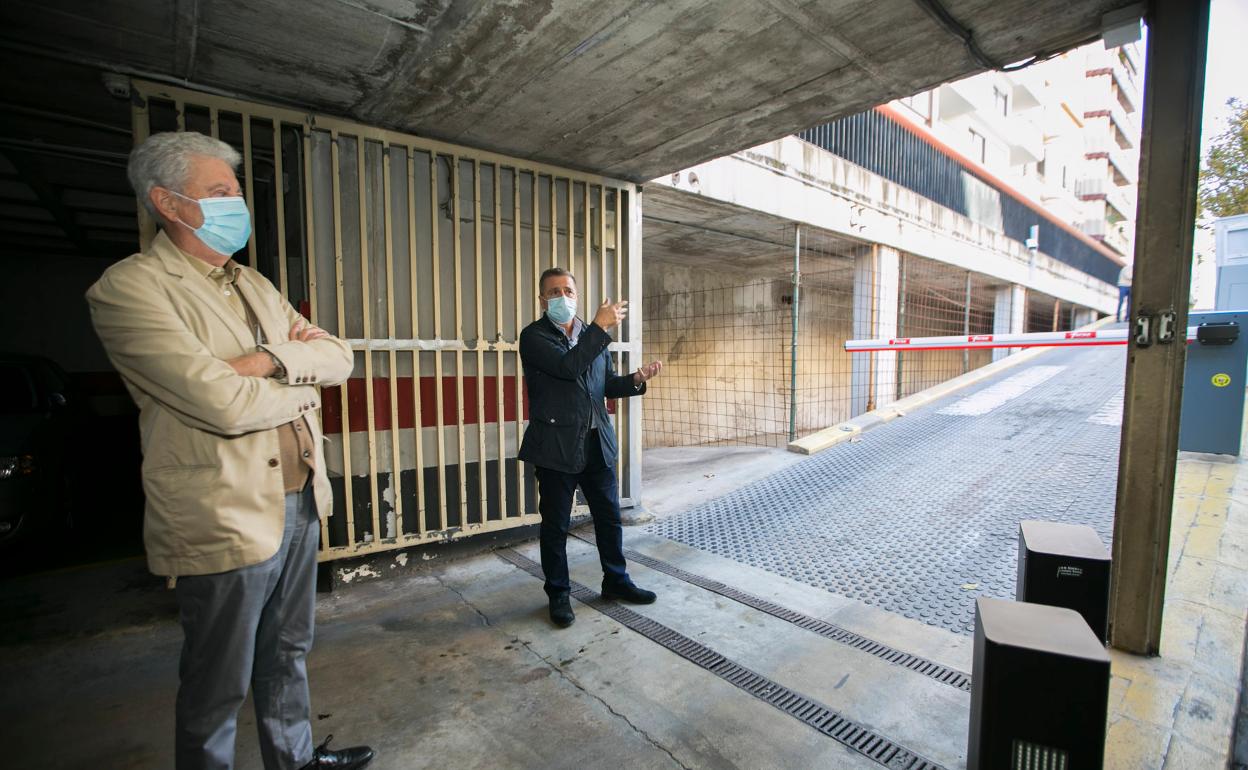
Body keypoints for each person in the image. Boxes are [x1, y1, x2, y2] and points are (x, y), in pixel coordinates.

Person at [86, 132, 374, 770]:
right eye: (220, 193)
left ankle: (293, 761)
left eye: (236, 193)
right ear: (168, 202)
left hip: (299, 498)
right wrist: (297, 383)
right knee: (218, 679)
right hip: (223, 511)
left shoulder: (253, 283)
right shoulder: (131, 289)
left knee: (287, 652)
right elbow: (222, 404)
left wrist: (269, 359)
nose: (236, 205)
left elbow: (339, 357)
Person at [518, 267, 663, 627]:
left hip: (597, 443)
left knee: (609, 518)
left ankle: (616, 580)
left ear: (577, 295)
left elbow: (605, 386)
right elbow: (568, 368)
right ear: (541, 300)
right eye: (554, 292)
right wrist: (600, 327)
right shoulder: (534, 337)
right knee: (556, 526)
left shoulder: (590, 334)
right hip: (556, 447)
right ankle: (559, 594)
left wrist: (635, 380)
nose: (562, 297)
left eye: (567, 290)